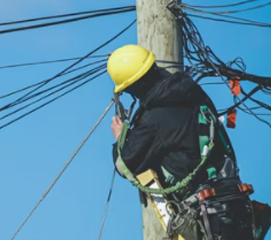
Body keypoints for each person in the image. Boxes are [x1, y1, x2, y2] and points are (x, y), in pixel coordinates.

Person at [107, 44, 267, 240]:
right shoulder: (193, 94)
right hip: (237, 206)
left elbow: (126, 165)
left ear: (133, 88)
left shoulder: (154, 120)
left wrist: (120, 137)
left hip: (206, 216)